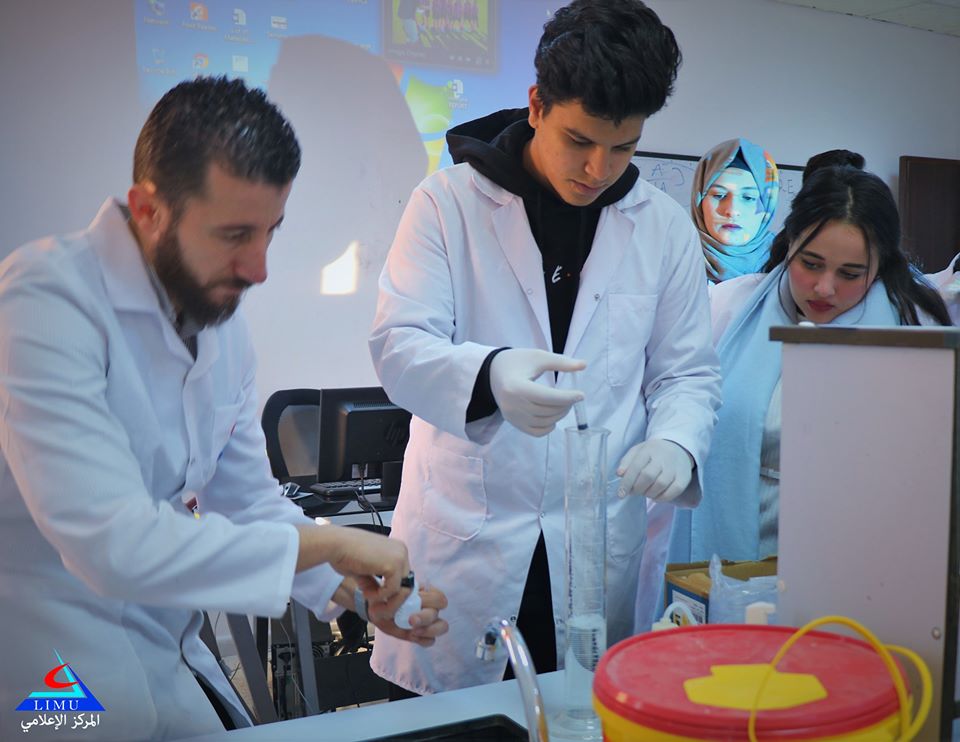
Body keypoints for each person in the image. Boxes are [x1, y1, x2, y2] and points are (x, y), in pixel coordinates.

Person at [0, 77, 447, 741]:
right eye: (236, 233)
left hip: (168, 653)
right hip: (52, 674)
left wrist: (354, 591)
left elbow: (246, 502)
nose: (260, 267)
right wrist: (332, 539)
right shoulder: (44, 303)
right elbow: (114, 545)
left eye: (271, 231)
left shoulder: (218, 321)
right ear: (149, 209)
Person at [368, 0, 721, 695]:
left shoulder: (662, 232)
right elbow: (398, 345)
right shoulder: (446, 204)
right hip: (463, 541)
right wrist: (491, 375)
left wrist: (678, 443)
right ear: (535, 104)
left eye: (623, 148)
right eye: (579, 140)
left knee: (581, 709)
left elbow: (687, 373)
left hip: (593, 546)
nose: (598, 168)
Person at [670, 165, 952, 565]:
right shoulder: (730, 307)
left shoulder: (915, 326)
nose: (824, 288)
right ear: (789, 243)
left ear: (881, 264)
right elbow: (687, 394)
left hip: (858, 560)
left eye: (851, 273)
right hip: (739, 547)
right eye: (811, 263)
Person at [692, 138, 780, 283]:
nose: (732, 211)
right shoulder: (674, 256)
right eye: (719, 195)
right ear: (699, 200)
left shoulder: (788, 263)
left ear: (768, 205)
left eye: (748, 198)